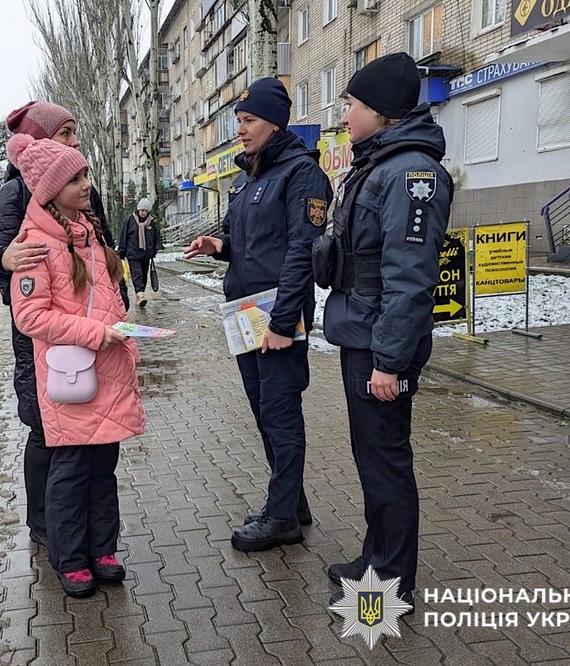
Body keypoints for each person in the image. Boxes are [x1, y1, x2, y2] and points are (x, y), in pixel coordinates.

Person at [320, 53, 453, 611]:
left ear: (381, 110)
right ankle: (376, 553)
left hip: (381, 344)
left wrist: (389, 362)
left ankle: (391, 579)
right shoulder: (379, 164)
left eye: (351, 103)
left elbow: (410, 279)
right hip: (362, 333)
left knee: (386, 460)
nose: (344, 113)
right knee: (369, 456)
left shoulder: (411, 174)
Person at [184, 78, 332, 552]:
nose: (241, 131)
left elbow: (299, 253)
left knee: (280, 413)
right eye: (239, 122)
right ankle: (290, 502)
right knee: (263, 411)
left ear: (274, 121)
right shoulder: (251, 176)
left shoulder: (301, 175)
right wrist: (218, 245)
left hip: (277, 317)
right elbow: (247, 245)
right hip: (245, 313)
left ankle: (282, 517)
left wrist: (283, 323)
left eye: (248, 122)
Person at [0, 101, 128, 547]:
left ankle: (86, 533)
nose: (75, 141)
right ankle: (46, 527)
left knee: (95, 434)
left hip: (96, 334)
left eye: (75, 133)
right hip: (43, 340)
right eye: (65, 133)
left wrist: (115, 305)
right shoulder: (14, 194)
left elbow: (105, 251)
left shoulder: (84, 193)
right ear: (40, 143)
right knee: (45, 429)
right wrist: (2, 259)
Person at [6, 133, 145, 598]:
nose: (87, 185)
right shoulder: (34, 244)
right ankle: (70, 559)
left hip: (108, 369)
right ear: (50, 190)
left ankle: (103, 550)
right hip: (73, 377)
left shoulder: (90, 233)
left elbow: (109, 301)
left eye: (85, 174)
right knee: (70, 473)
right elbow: (30, 316)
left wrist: (126, 335)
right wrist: (95, 333)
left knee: (104, 468)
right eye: (75, 178)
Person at [118, 197, 160, 307]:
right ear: (138, 209)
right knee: (137, 274)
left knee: (144, 276)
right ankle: (140, 295)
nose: (143, 213)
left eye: (145, 211)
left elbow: (155, 237)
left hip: (146, 255)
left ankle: (140, 295)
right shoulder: (130, 220)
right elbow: (124, 236)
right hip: (133, 254)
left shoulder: (151, 222)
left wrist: (153, 251)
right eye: (142, 210)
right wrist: (121, 251)